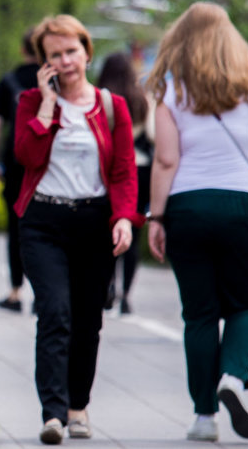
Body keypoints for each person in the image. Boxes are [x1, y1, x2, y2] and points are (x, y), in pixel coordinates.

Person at [146, 2, 248, 442]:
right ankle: (233, 375)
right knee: (245, 304)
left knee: (200, 315)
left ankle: (204, 416)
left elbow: (166, 159)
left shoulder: (171, 91)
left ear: (180, 39)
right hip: (243, 203)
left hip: (187, 206)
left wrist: (157, 216)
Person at [13, 15, 140, 444]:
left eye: (71, 51)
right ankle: (52, 413)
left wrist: (124, 216)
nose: (65, 61)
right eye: (54, 55)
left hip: (93, 223)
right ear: (44, 63)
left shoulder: (111, 106)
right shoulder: (31, 102)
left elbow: (123, 171)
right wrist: (48, 105)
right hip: (43, 223)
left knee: (87, 320)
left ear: (86, 51)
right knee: (54, 313)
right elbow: (27, 156)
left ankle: (77, 406)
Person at [0, 29, 41, 311]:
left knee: (16, 225)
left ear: (22, 50)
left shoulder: (9, 81)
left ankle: (15, 291)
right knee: (45, 226)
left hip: (16, 162)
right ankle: (43, 292)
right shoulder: (56, 80)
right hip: (47, 165)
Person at [96, 51, 153, 314]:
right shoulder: (141, 99)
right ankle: (127, 295)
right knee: (132, 231)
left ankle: (108, 284)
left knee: (107, 231)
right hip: (140, 169)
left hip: (108, 170)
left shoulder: (100, 98)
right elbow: (153, 134)